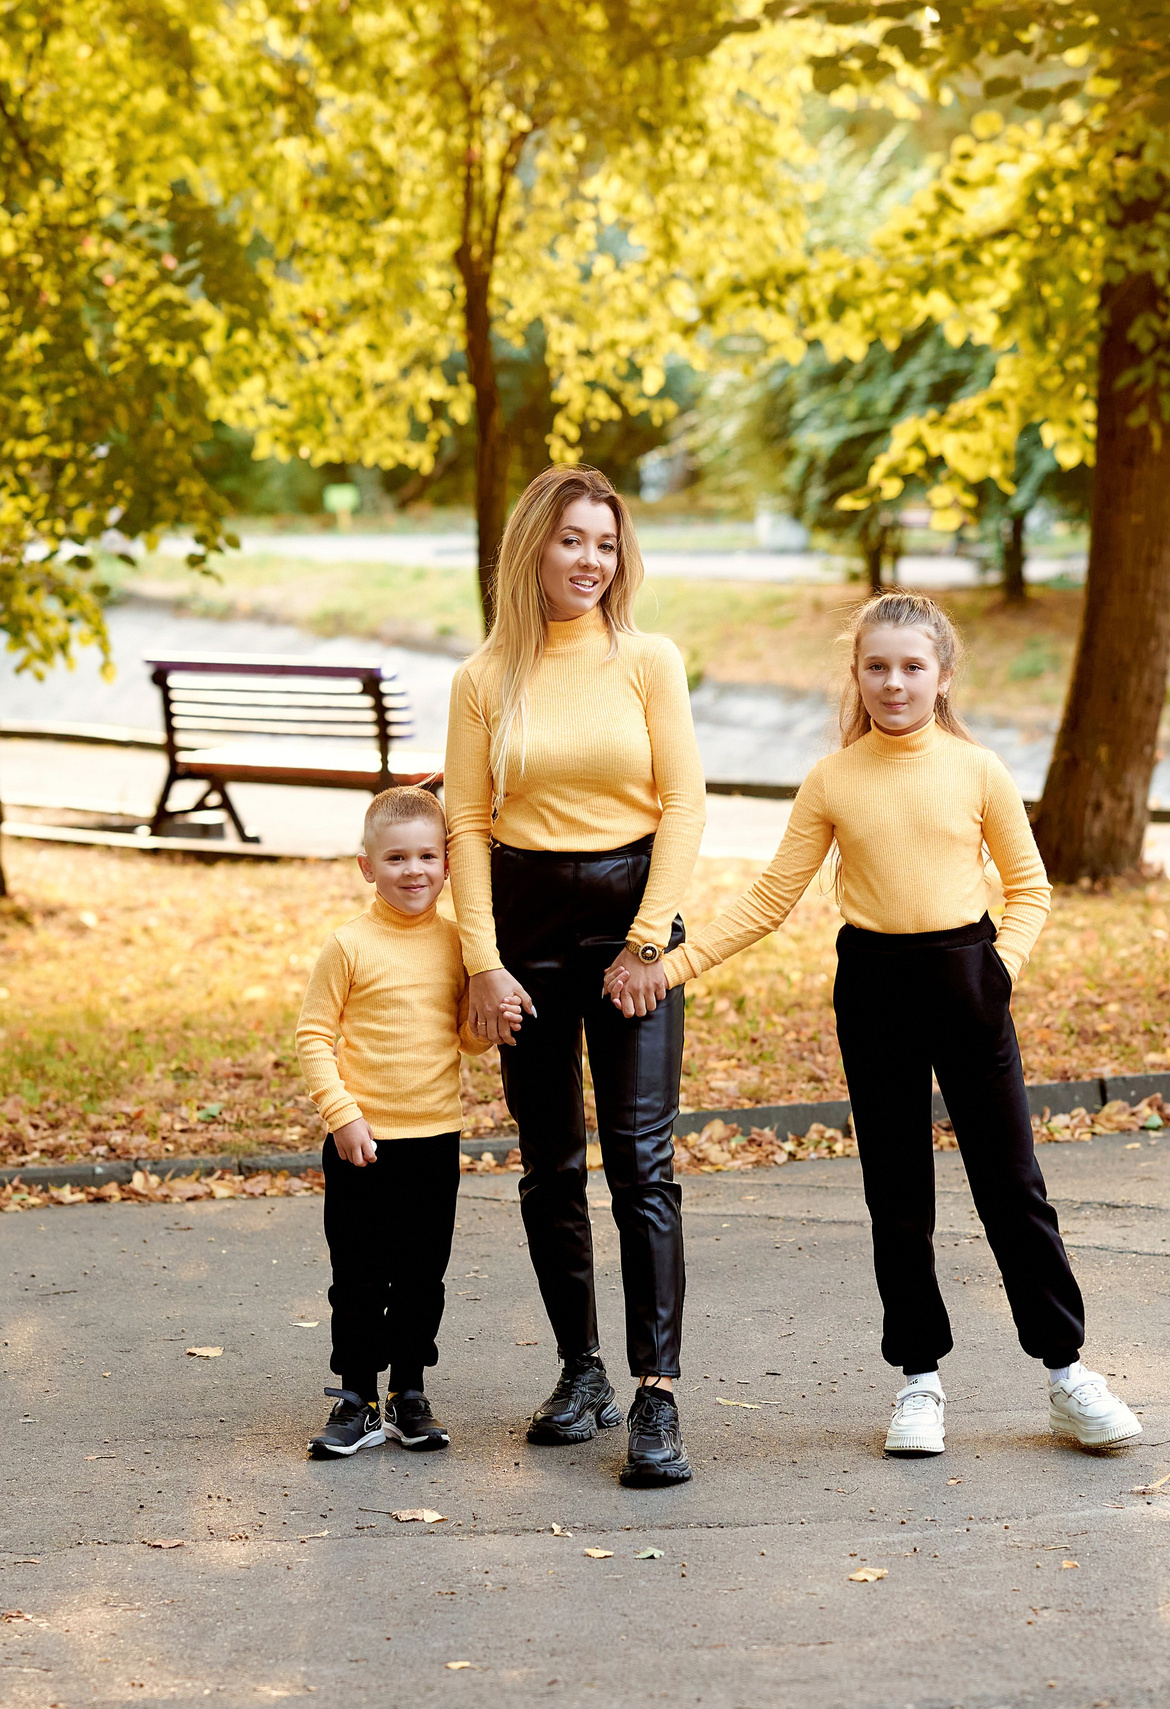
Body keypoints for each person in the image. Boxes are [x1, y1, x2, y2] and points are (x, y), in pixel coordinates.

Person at [656, 593, 1141, 1458]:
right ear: (858, 674)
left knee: (1011, 1184)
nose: (894, 681)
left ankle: (1068, 1372)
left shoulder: (977, 769)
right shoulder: (833, 779)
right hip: (873, 986)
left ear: (943, 676)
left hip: (966, 978)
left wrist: (1000, 970)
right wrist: (673, 964)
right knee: (897, 1193)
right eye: (876, 666)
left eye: (913, 666)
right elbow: (773, 896)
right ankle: (919, 1379)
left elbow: (1030, 887)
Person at [444, 464, 706, 1488]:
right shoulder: (483, 677)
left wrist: (647, 946)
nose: (589, 559)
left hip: (630, 912)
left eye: (604, 542)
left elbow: (683, 801)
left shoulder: (648, 660)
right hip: (526, 923)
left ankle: (656, 1394)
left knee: (643, 1163)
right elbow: (466, 822)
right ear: (532, 550)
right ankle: (581, 1371)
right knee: (550, 1164)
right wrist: (481, 961)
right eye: (570, 540)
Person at [294, 786, 506, 1458]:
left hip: (434, 1138)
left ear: (447, 864)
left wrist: (489, 1029)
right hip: (362, 1142)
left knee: (421, 1273)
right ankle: (357, 1394)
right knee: (358, 1274)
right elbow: (311, 1036)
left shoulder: (459, 945)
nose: (412, 870)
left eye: (425, 855)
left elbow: (462, 1039)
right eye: (395, 858)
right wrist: (343, 1115)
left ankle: (409, 1392)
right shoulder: (348, 946)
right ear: (367, 867)